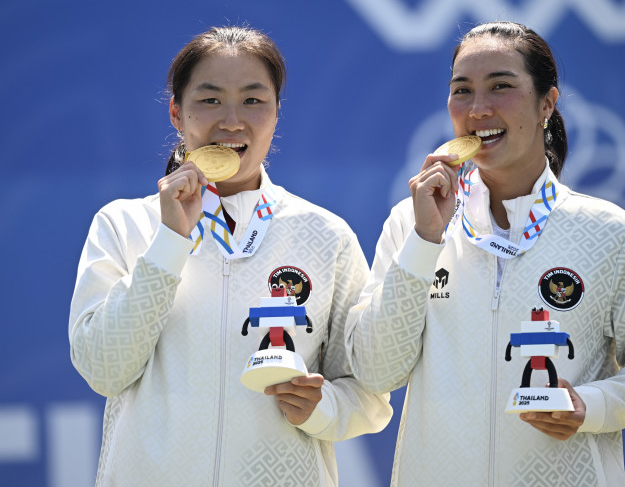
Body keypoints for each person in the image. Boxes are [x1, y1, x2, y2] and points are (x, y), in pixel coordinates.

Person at [345, 21, 625, 486]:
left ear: (547, 103)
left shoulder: (609, 232)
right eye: (462, 91)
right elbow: (375, 371)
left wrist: (591, 406)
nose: (478, 109)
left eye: (501, 87)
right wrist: (425, 240)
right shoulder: (412, 225)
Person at [69, 25, 391, 486]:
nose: (232, 121)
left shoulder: (325, 235)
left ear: (278, 112)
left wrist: (324, 409)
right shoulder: (124, 225)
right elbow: (103, 367)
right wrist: (169, 242)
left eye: (253, 100)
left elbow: (370, 390)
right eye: (210, 99)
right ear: (177, 114)